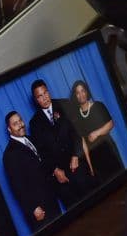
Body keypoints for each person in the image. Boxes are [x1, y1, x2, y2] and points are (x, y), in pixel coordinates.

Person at [28, 79, 94, 207]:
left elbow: (76, 132)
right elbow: (41, 152)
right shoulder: (34, 123)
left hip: (77, 164)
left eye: (45, 93)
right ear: (36, 100)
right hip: (60, 175)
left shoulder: (65, 104)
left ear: (49, 91)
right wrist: (55, 170)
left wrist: (76, 155)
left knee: (92, 198)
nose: (44, 98)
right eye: (40, 96)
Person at [2, 111, 61, 231]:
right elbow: (17, 186)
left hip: (51, 198)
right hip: (39, 209)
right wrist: (33, 208)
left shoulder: (30, 139)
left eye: (20, 121)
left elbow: (42, 162)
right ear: (9, 129)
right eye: (15, 124)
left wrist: (55, 170)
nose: (20, 125)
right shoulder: (9, 154)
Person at [68, 80, 122, 184]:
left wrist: (96, 133)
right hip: (94, 156)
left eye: (83, 91)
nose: (81, 94)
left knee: (120, 177)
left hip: (108, 150)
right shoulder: (76, 116)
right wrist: (90, 166)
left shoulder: (98, 106)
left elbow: (110, 124)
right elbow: (83, 142)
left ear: (87, 92)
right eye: (77, 92)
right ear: (75, 96)